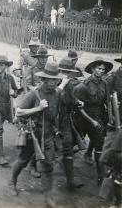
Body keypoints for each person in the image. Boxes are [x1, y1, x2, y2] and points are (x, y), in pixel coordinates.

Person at [9, 61, 64, 208]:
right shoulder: (34, 94)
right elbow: (19, 112)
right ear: (44, 79)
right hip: (32, 133)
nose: (53, 82)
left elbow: (57, 114)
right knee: (22, 161)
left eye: (55, 79)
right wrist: (38, 108)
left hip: (47, 135)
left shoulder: (58, 94)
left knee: (48, 165)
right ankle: (12, 181)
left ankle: (48, 197)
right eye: (50, 79)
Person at [74, 57, 113, 185]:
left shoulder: (105, 84)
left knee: (99, 145)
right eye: (98, 68)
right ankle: (65, 158)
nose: (101, 71)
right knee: (76, 143)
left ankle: (101, 176)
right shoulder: (83, 86)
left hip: (99, 117)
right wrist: (91, 120)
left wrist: (110, 117)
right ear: (92, 69)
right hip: (84, 117)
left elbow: (107, 101)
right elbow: (78, 108)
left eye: (103, 69)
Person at [57, 57, 85, 190]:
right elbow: (53, 99)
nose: (66, 75)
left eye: (68, 72)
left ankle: (70, 182)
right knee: (44, 144)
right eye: (64, 72)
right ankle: (33, 164)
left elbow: (71, 98)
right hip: (51, 119)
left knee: (67, 146)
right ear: (59, 71)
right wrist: (61, 84)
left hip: (65, 119)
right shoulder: (52, 82)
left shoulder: (69, 84)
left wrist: (77, 102)